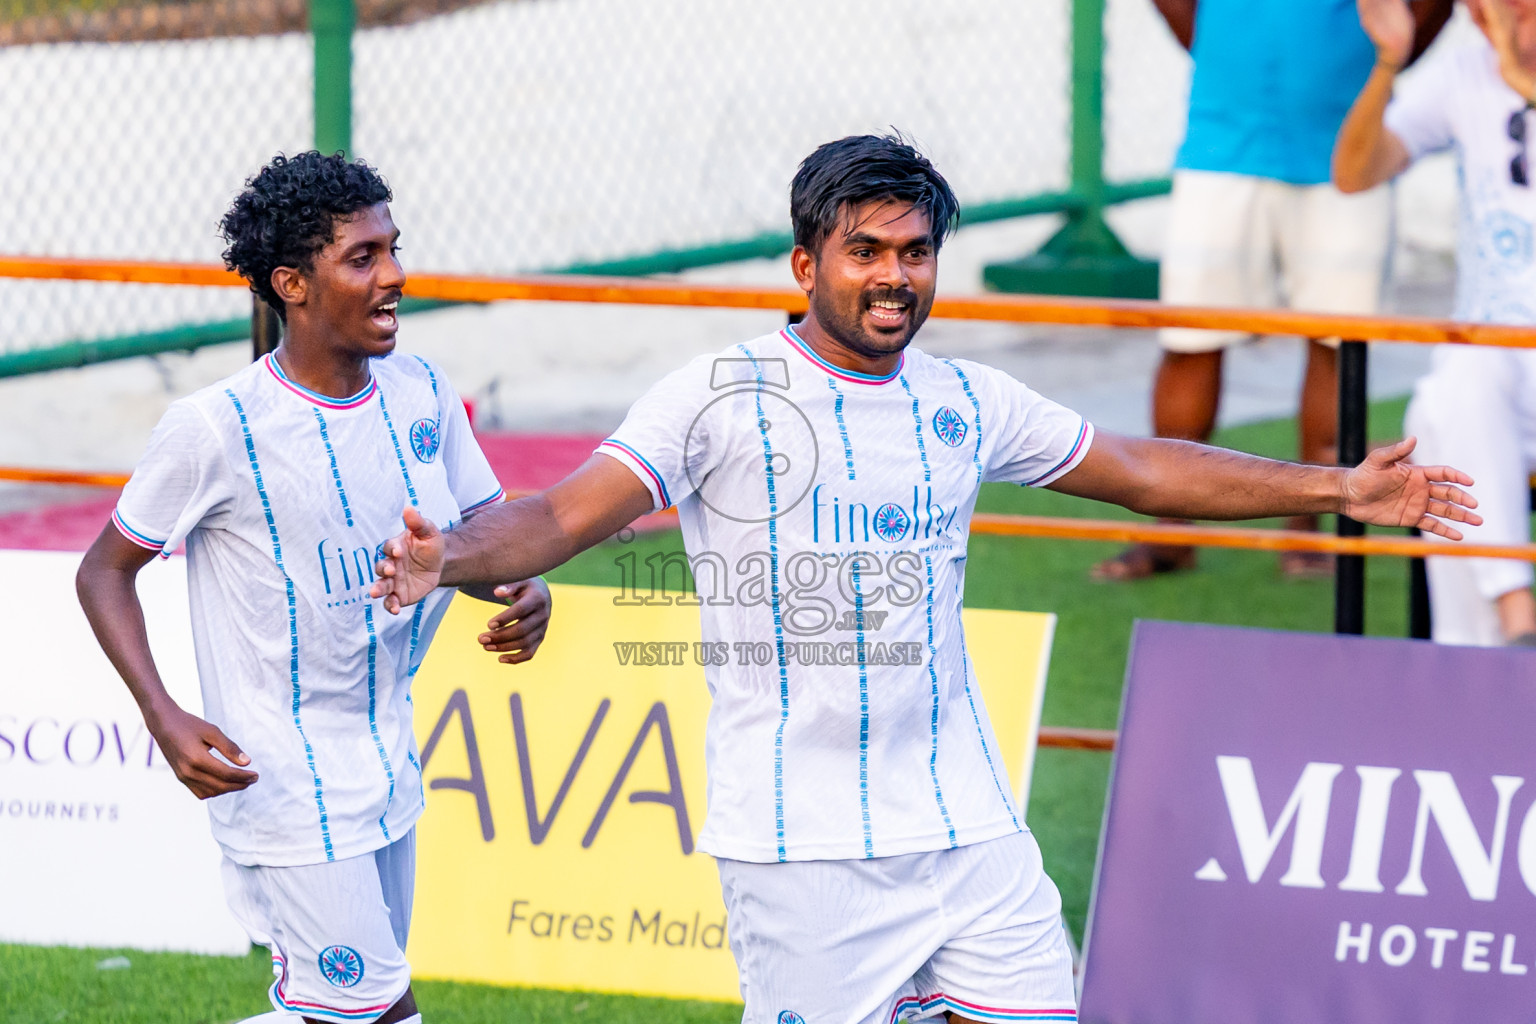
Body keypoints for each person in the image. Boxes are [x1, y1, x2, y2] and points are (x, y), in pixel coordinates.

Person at [370, 135, 1476, 1024]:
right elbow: (564, 513)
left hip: (968, 828)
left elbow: (1140, 471)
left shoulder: (966, 398)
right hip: (802, 848)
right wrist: (449, 557)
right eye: (865, 250)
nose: (894, 276)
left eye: (914, 251)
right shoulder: (715, 395)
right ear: (806, 265)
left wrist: (1338, 486)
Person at [75, 152, 552, 1024]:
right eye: (363, 257)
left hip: (388, 761)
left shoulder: (422, 392)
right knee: (379, 1010)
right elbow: (104, 570)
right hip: (281, 781)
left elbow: (486, 532)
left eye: (393, 248)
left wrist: (520, 588)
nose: (395, 274)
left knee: (338, 1011)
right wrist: (163, 713)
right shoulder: (216, 428)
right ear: (292, 284)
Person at [1093, 0, 1453, 580]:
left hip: (1350, 148)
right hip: (1222, 143)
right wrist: (1221, 52)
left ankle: (1311, 525)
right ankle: (1169, 530)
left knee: (1341, 348)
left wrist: (1390, 54)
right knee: (1190, 340)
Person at [1336, 0, 1536, 646]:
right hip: (1494, 366)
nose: (1488, 16)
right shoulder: (1463, 74)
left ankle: (1479, 657)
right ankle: (1512, 616)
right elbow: (1354, 174)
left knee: (1437, 422)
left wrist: (1518, 72)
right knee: (1454, 393)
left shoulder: (1502, 69)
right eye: (1480, 6)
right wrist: (1387, 64)